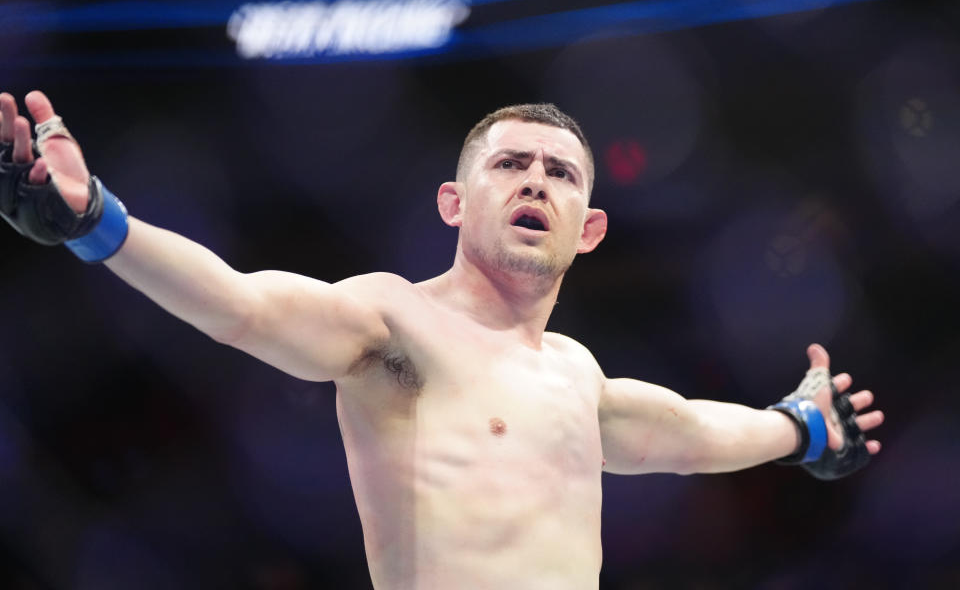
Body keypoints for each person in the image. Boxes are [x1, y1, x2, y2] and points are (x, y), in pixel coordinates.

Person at [0, 90, 883, 589]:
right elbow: (242, 307)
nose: (535, 179)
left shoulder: (579, 375)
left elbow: (691, 436)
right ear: (453, 205)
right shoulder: (394, 322)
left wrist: (804, 428)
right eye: (510, 163)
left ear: (591, 227)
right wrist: (98, 224)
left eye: (560, 172)